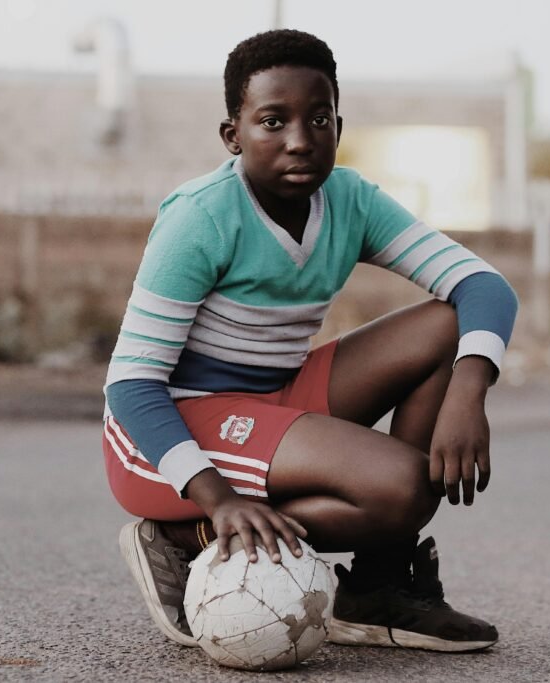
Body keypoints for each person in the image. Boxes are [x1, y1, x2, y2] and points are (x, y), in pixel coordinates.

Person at [103, 29, 518, 653]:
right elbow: (131, 384)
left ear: (337, 125)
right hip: (171, 434)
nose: (300, 139)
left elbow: (483, 286)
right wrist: (215, 498)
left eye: (317, 118)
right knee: (404, 487)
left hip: (276, 398)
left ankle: (378, 586)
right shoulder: (201, 215)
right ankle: (179, 539)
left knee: (446, 323)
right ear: (233, 135)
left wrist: (470, 388)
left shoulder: (349, 200)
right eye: (273, 121)